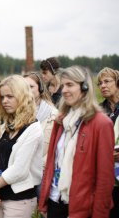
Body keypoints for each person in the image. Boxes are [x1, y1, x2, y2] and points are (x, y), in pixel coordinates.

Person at [39, 66, 115, 217]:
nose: (64, 90)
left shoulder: (101, 124)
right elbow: (51, 164)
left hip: (82, 207)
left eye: (70, 85)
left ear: (84, 87)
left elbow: (105, 178)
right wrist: (44, 201)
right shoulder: (60, 120)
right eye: (63, 85)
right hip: (55, 200)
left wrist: (100, 213)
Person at [0, 75, 43, 218]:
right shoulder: (5, 126)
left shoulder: (33, 128)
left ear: (22, 97)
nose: (4, 101)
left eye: (10, 96)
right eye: (2, 97)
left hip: (20, 198)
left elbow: (19, 170)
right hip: (0, 195)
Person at [96, 67, 119, 218]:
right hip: (103, 176)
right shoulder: (98, 111)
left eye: (107, 81)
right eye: (100, 83)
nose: (103, 85)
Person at [24, 72, 58, 168]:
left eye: (31, 86)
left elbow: (55, 148)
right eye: (24, 87)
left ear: (40, 89)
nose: (27, 90)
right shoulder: (15, 113)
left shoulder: (53, 115)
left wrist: (38, 167)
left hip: (42, 170)